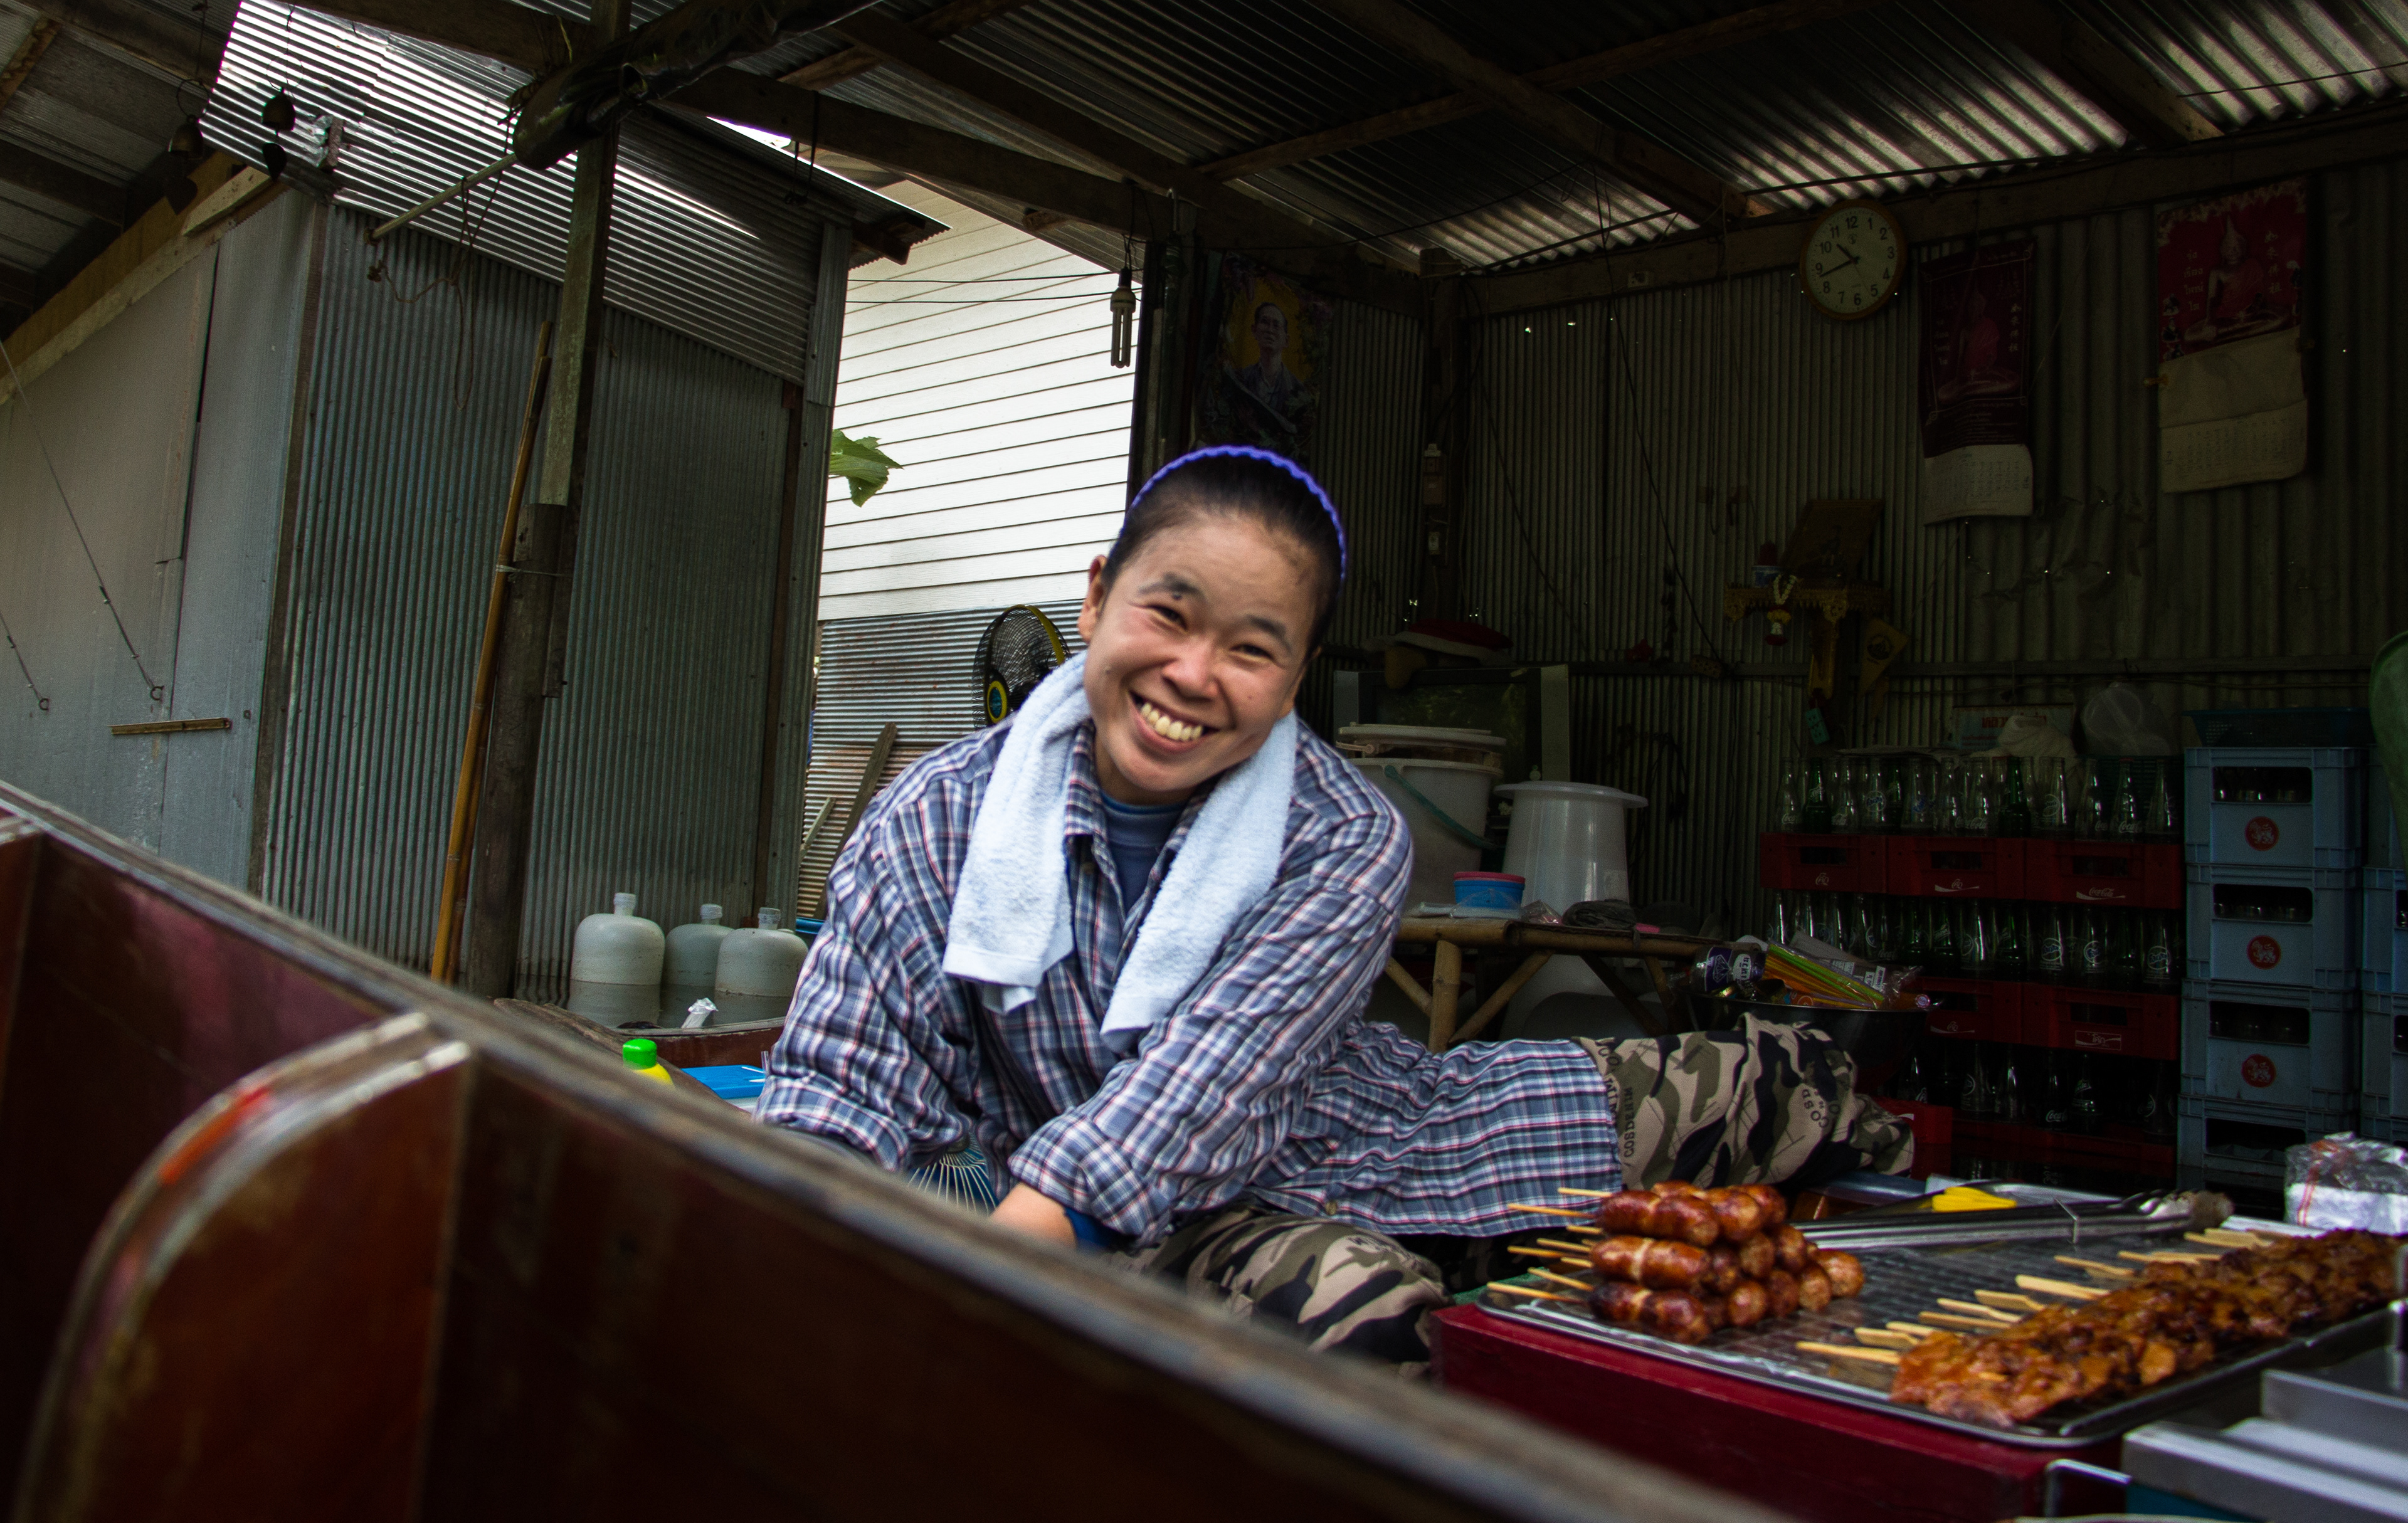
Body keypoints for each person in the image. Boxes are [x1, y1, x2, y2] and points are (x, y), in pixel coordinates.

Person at [758, 446, 1907, 1373]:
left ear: (1297, 676)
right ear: (1099, 594)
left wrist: (992, 1271)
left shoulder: (1343, 834)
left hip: (1383, 1141)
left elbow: (1200, 1088)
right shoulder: (937, 817)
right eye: (1169, 614)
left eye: (1252, 649)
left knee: (1765, 1090)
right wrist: (809, 1261)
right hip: (1163, 1221)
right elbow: (840, 1092)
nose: (1194, 675)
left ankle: (1921, 1193)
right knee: (1363, 1318)